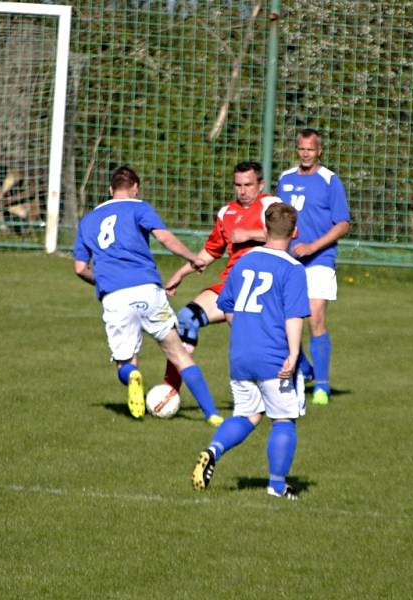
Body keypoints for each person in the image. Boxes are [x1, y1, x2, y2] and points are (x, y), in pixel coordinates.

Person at [73, 165, 223, 425]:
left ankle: (132, 375)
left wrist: (105, 279)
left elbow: (79, 268)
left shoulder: (88, 220)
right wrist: (191, 257)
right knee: (179, 354)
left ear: (110, 190)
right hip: (148, 290)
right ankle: (212, 414)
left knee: (125, 362)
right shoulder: (139, 207)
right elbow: (164, 238)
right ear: (135, 189)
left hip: (115, 297)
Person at [191, 202, 310, 500]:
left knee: (248, 415)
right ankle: (277, 486)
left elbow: (226, 305)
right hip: (273, 356)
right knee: (283, 419)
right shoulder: (293, 268)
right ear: (294, 232)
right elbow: (294, 315)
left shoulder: (244, 261)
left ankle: (213, 449)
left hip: (241, 354)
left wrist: (247, 330)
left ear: (265, 230)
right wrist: (294, 353)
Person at [163, 161, 281, 390]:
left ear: (261, 184)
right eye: (238, 185)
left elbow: (289, 233)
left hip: (260, 284)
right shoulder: (226, 212)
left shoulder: (271, 204)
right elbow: (211, 251)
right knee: (187, 318)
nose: (242, 190)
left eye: (248, 184)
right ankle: (170, 390)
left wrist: (250, 234)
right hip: (231, 283)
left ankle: (296, 369)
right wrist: (181, 273)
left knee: (251, 342)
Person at [276, 128, 351, 405]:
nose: (306, 153)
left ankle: (322, 386)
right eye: (301, 148)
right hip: (289, 261)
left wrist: (313, 246)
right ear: (297, 150)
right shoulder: (285, 179)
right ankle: (306, 369)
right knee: (280, 319)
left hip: (319, 259)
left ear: (319, 150)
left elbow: (343, 223)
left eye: (311, 149)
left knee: (314, 316)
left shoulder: (330, 180)